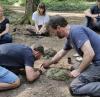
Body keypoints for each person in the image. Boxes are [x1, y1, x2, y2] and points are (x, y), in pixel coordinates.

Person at [42, 15, 100, 97]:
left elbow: (90, 54)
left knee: (74, 88)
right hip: (97, 62)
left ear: (58, 28)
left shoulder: (76, 32)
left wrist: (78, 71)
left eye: (53, 32)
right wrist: (49, 62)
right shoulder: (70, 36)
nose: (54, 34)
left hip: (98, 64)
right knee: (75, 66)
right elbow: (61, 52)